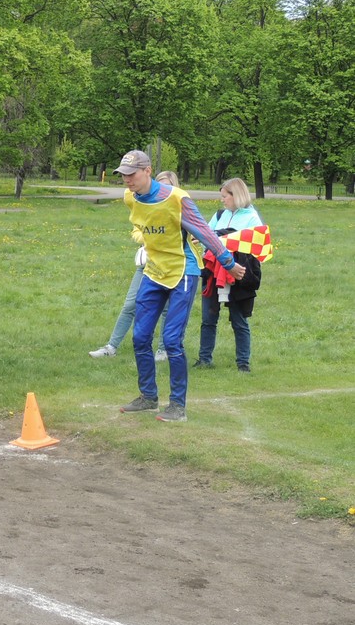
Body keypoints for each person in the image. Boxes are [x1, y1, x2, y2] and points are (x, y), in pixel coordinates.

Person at [114, 151, 245, 422]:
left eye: (132, 174)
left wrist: (228, 262)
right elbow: (144, 227)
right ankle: (148, 397)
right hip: (154, 271)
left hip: (183, 271)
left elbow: (204, 232)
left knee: (172, 340)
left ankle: (177, 406)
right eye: (124, 175)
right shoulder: (130, 198)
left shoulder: (176, 198)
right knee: (140, 337)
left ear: (148, 170)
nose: (127, 180)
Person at [89, 170, 181, 362]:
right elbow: (137, 229)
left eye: (166, 186)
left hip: (172, 266)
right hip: (147, 263)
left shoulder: (178, 205)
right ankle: (111, 347)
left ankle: (163, 350)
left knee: (166, 309)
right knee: (131, 303)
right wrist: (146, 238)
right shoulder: (145, 203)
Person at [195, 177, 264, 372]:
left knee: (238, 319)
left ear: (236, 195)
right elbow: (206, 237)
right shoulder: (220, 215)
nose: (222, 200)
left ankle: (243, 364)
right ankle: (204, 360)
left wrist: (225, 238)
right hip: (213, 271)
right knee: (209, 318)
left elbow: (256, 246)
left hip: (238, 273)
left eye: (225, 196)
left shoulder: (252, 217)